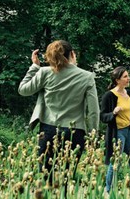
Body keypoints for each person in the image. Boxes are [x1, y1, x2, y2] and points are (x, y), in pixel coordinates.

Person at [18, 40, 99, 179]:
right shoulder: (87, 77)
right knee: (66, 179)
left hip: (48, 130)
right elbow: (93, 111)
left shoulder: (44, 72)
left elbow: (23, 90)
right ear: (72, 54)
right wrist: (93, 137)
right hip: (75, 132)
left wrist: (34, 66)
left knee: (46, 178)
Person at [100, 66, 130, 193]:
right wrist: (113, 112)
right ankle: (109, 190)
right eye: (125, 77)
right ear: (117, 80)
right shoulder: (109, 96)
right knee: (116, 161)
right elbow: (103, 116)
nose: (128, 78)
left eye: (128, 76)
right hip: (118, 132)